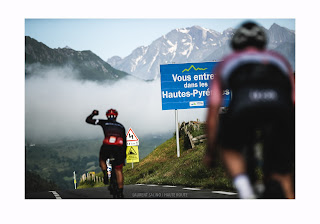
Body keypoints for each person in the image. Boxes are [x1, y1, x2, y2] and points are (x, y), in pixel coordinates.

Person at [205, 21, 295, 199]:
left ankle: (246, 191)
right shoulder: (279, 60)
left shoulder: (227, 62)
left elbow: (213, 112)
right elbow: (294, 100)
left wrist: (211, 150)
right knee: (283, 174)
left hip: (242, 110)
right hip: (280, 112)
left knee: (230, 148)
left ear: (236, 44)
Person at [86, 109, 127, 198]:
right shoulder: (121, 126)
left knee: (102, 158)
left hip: (107, 146)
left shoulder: (104, 122)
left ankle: (105, 174)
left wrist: (93, 114)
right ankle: (120, 192)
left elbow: (88, 120)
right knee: (119, 170)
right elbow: (125, 142)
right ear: (116, 116)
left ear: (107, 116)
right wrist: (124, 155)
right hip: (119, 148)